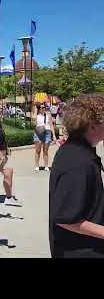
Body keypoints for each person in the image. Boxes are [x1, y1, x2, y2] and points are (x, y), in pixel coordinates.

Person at [49, 93, 104, 258]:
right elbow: (65, 218)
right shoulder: (78, 162)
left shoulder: (79, 150)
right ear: (92, 125)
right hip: (82, 251)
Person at [33, 104, 57, 171]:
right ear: (39, 108)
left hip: (47, 132)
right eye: (42, 107)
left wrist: (54, 135)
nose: (43, 108)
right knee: (38, 150)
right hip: (38, 133)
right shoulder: (36, 116)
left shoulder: (48, 115)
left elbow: (51, 125)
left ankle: (46, 166)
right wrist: (35, 111)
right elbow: (34, 124)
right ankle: (37, 165)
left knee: (45, 150)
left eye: (44, 107)